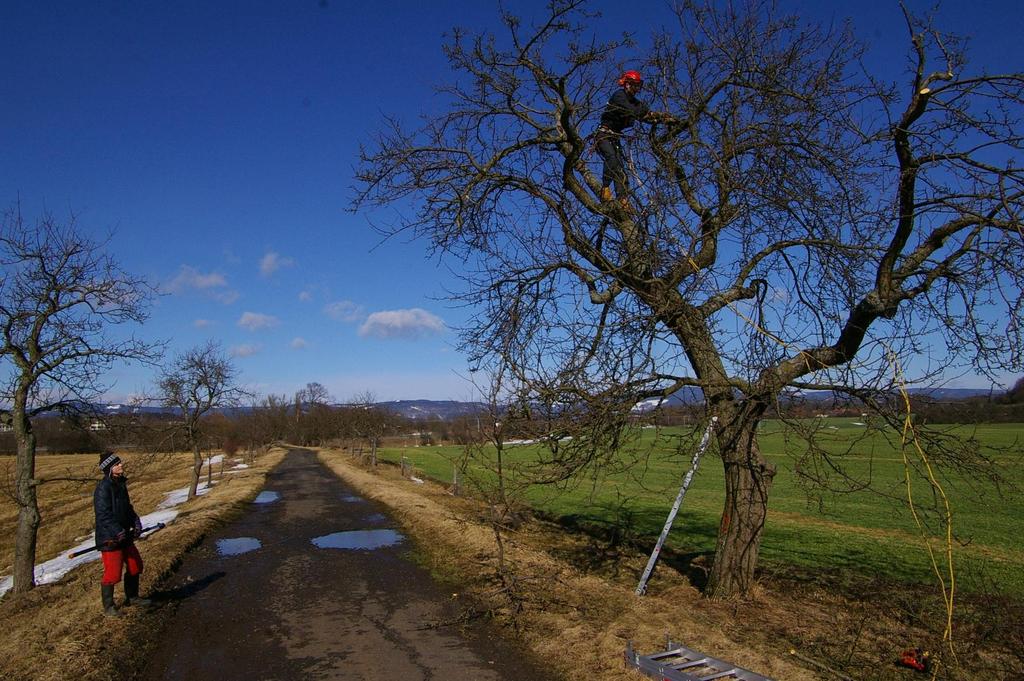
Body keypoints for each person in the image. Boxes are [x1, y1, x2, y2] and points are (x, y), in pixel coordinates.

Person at [595, 69, 673, 210]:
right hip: (604, 134)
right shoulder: (619, 96)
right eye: (634, 85)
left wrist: (662, 118)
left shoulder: (635, 102)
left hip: (615, 137)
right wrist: (645, 114)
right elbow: (634, 112)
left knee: (620, 169)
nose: (637, 89)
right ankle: (605, 188)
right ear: (627, 84)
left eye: (638, 85)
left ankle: (623, 199)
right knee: (611, 158)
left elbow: (645, 114)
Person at [94, 450, 150, 616]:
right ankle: (109, 607)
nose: (121, 465)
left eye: (120, 463)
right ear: (110, 468)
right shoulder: (103, 489)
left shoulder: (120, 485)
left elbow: (127, 508)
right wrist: (117, 531)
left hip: (125, 535)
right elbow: (103, 515)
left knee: (135, 566)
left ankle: (132, 597)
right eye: (117, 464)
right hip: (110, 539)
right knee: (113, 574)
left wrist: (136, 521)